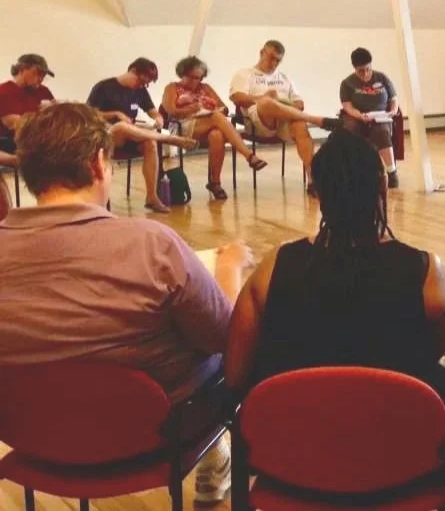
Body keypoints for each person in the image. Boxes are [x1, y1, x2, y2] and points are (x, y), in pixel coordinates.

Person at [0, 102, 254, 503]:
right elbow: (223, 337)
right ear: (99, 163)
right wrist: (230, 268)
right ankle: (218, 457)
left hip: (30, 435)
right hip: (153, 435)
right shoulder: (151, 244)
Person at [224, 129, 445, 408]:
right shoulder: (427, 273)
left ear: (318, 193)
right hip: (391, 437)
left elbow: (235, 375)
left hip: (295, 441)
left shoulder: (275, 267)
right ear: (382, 187)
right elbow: (429, 356)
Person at [88, 58, 198, 213]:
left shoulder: (140, 91)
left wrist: (158, 120)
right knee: (121, 126)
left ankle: (152, 197)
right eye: (141, 81)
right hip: (107, 137)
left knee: (150, 143)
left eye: (145, 84)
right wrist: (115, 113)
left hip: (130, 134)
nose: (142, 86)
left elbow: (153, 111)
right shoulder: (104, 87)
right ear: (132, 71)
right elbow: (90, 115)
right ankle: (172, 139)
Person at [229, 40, 341, 194]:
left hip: (284, 123)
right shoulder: (244, 74)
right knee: (267, 102)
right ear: (262, 53)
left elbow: (299, 102)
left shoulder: (284, 77)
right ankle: (316, 120)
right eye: (271, 58)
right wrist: (263, 97)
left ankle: (313, 179)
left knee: (300, 126)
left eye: (278, 60)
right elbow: (237, 98)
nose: (274, 63)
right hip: (258, 123)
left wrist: (288, 106)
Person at [162, 56, 267, 201]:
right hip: (182, 126)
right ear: (182, 74)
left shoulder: (206, 88)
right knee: (216, 118)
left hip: (207, 123)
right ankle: (249, 155)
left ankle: (215, 182)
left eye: (199, 78)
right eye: (192, 77)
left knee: (217, 134)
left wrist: (212, 106)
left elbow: (223, 108)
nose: (196, 81)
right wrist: (193, 108)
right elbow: (171, 111)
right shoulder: (172, 88)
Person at [339, 48, 400, 188]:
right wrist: (359, 115)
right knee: (351, 129)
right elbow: (347, 106)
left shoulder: (382, 78)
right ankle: (354, 170)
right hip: (359, 116)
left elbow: (394, 98)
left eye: (368, 69)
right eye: (361, 71)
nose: (365, 74)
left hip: (380, 116)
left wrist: (393, 110)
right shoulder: (347, 83)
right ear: (355, 68)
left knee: (382, 132)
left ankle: (392, 171)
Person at [0, 54, 56, 153]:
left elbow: (57, 118)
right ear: (22, 69)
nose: (41, 78)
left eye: (43, 75)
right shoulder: (4, 91)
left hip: (41, 142)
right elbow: (14, 124)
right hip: (13, 143)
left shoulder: (43, 91)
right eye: (38, 73)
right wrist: (43, 116)